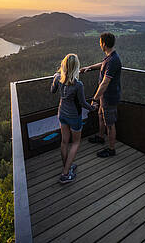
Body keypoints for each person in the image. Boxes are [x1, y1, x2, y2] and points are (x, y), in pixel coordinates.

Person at [51, 53, 93, 184]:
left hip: (62, 114)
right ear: (76, 67)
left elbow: (52, 90)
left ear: (63, 65)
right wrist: (93, 107)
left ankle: (67, 167)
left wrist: (54, 78)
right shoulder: (78, 84)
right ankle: (65, 174)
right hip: (74, 117)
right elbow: (82, 103)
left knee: (64, 142)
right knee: (75, 143)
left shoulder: (58, 78)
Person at [82, 32, 122, 158]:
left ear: (104, 44)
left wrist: (94, 99)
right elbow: (102, 65)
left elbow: (105, 83)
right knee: (101, 116)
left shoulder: (113, 60)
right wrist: (90, 67)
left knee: (110, 124)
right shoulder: (110, 57)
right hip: (105, 97)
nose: (99, 44)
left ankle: (111, 149)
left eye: (100, 42)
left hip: (109, 97)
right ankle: (100, 137)